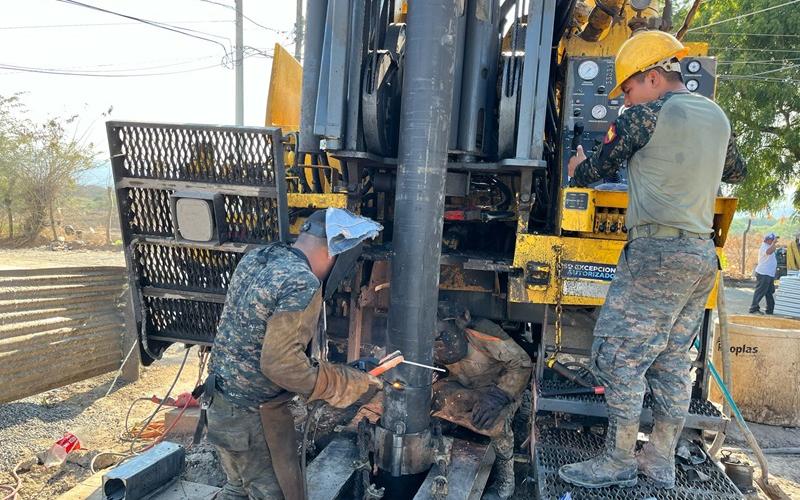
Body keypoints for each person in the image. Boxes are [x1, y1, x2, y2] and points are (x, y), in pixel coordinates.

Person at [559, 30, 746, 490]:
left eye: (627, 87)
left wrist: (576, 165)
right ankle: (659, 459)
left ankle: (618, 459)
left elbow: (597, 169)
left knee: (619, 356)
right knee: (670, 360)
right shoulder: (718, 118)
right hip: (701, 255)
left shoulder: (643, 117)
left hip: (656, 254)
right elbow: (735, 169)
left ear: (653, 76)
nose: (626, 97)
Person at [202, 209, 382, 500]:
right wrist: (346, 383)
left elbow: (259, 338)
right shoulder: (302, 282)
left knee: (237, 489)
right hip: (254, 419)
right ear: (334, 252)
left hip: (220, 405)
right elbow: (281, 365)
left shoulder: (259, 257)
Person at [431, 303, 532, 499]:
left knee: (492, 421)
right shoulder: (421, 334)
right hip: (463, 384)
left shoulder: (482, 333)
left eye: (442, 337)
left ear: (460, 323)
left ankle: (506, 478)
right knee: (429, 402)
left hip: (499, 388)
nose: (439, 346)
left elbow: (521, 363)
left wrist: (498, 397)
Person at [749, 233, 779, 314]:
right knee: (760, 291)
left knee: (769, 292)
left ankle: (770, 309)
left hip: (768, 274)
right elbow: (769, 252)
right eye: (773, 240)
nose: (775, 241)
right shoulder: (764, 246)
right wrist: (773, 244)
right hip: (764, 273)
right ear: (768, 239)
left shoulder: (769, 245)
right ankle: (753, 308)